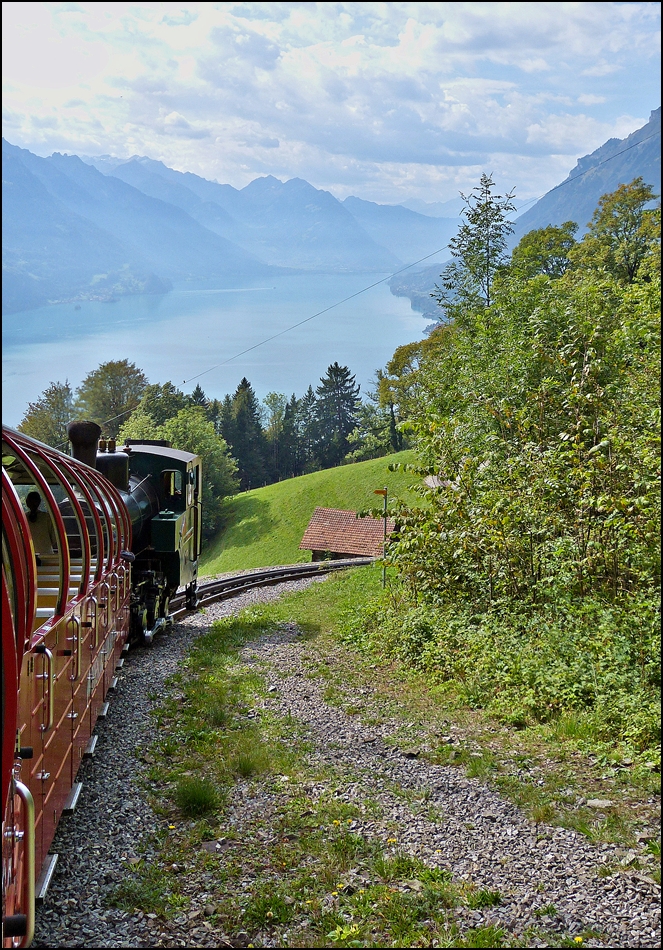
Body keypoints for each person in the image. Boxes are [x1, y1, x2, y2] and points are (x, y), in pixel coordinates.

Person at [25, 491, 57, 563]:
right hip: (47, 555)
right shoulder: (47, 517)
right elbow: (54, 538)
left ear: (27, 502)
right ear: (39, 502)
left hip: (28, 556)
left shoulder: (22, 519)